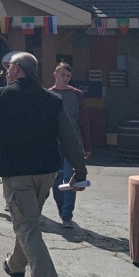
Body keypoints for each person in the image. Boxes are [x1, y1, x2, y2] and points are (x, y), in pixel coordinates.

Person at [0, 52, 88, 277]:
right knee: (28, 221)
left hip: (17, 172)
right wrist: (79, 171)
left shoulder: (1, 96)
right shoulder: (52, 99)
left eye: (10, 66)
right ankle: (15, 266)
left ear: (19, 69)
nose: (7, 70)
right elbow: (68, 138)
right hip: (47, 171)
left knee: (27, 227)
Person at [48, 62, 92, 229]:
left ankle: (67, 214)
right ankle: (61, 209)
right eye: (62, 75)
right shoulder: (49, 94)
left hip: (73, 141)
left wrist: (86, 145)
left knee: (70, 178)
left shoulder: (77, 95)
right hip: (54, 143)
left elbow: (83, 121)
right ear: (55, 74)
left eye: (68, 76)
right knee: (55, 179)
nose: (65, 78)